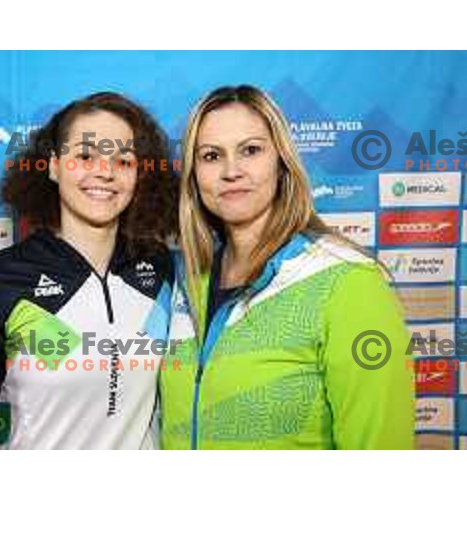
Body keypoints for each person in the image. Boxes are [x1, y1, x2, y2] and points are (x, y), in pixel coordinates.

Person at [160, 84, 415, 449]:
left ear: (281, 161)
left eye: (251, 150)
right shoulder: (187, 282)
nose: (232, 171)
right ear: (194, 176)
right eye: (211, 156)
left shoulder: (348, 282)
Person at [0, 91, 177, 449]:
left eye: (124, 161)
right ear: (53, 166)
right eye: (85, 156)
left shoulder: (162, 267)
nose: (105, 172)